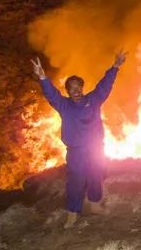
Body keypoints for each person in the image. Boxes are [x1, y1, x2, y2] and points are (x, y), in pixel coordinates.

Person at [32, 51, 127, 229]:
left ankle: (95, 204)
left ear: (82, 88)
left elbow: (104, 86)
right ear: (67, 91)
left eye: (78, 87)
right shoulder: (64, 105)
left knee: (96, 177)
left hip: (95, 149)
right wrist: (42, 77)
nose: (76, 91)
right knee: (75, 181)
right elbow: (52, 94)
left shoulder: (93, 99)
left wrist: (115, 67)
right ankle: (72, 213)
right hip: (76, 152)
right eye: (72, 88)